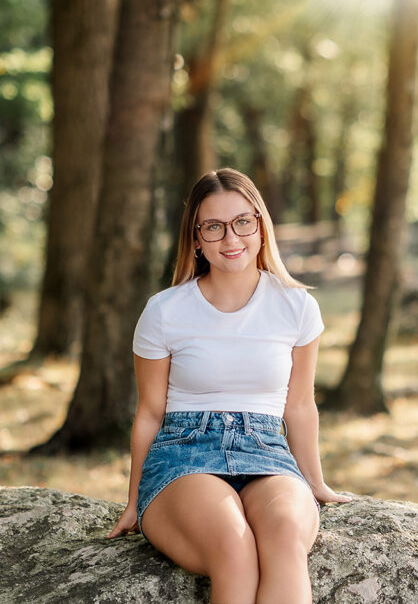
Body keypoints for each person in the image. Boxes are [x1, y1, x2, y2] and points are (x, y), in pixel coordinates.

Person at [107, 168, 350, 603]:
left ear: (260, 225)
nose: (231, 238)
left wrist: (315, 481)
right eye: (214, 227)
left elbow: (299, 406)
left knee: (283, 538)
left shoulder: (297, 306)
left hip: (266, 452)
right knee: (235, 546)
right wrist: (133, 500)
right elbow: (148, 413)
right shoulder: (164, 311)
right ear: (196, 238)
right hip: (184, 456)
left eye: (242, 222)